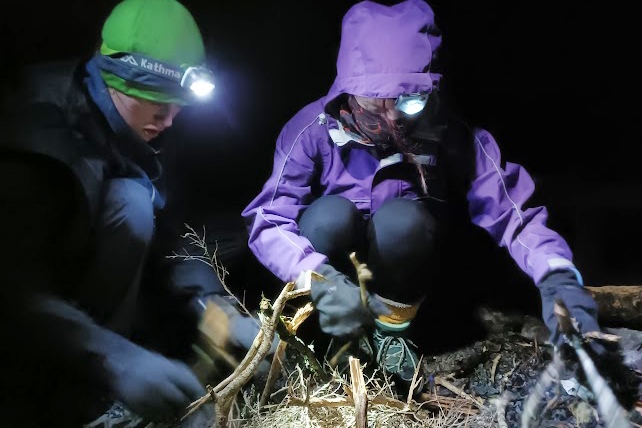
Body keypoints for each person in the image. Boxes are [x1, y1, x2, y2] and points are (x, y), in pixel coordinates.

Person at [241, 0, 630, 397]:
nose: (393, 118)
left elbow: (515, 212)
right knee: (328, 216)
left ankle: (392, 334)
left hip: (405, 262)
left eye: (409, 101)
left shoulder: (449, 131)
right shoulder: (311, 130)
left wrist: (558, 275)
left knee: (402, 222)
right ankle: (325, 340)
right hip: (333, 260)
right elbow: (268, 218)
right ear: (350, 90)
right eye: (376, 101)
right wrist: (317, 278)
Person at [0, 0, 262, 426]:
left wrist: (215, 307)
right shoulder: (33, 138)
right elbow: (11, 289)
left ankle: (92, 392)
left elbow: (171, 229)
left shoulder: (135, 123)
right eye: (161, 108)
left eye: (177, 108)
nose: (171, 121)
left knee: (135, 200)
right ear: (121, 83)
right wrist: (114, 359)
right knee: (131, 204)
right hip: (31, 318)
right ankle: (66, 396)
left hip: (83, 292)